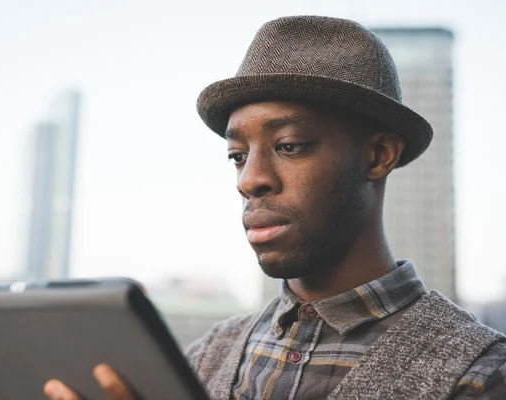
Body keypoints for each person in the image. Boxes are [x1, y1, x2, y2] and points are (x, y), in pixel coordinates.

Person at [44, 15, 506, 400]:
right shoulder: (207, 355)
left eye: (288, 145)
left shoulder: (480, 372)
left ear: (378, 156)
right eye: (237, 156)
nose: (249, 180)